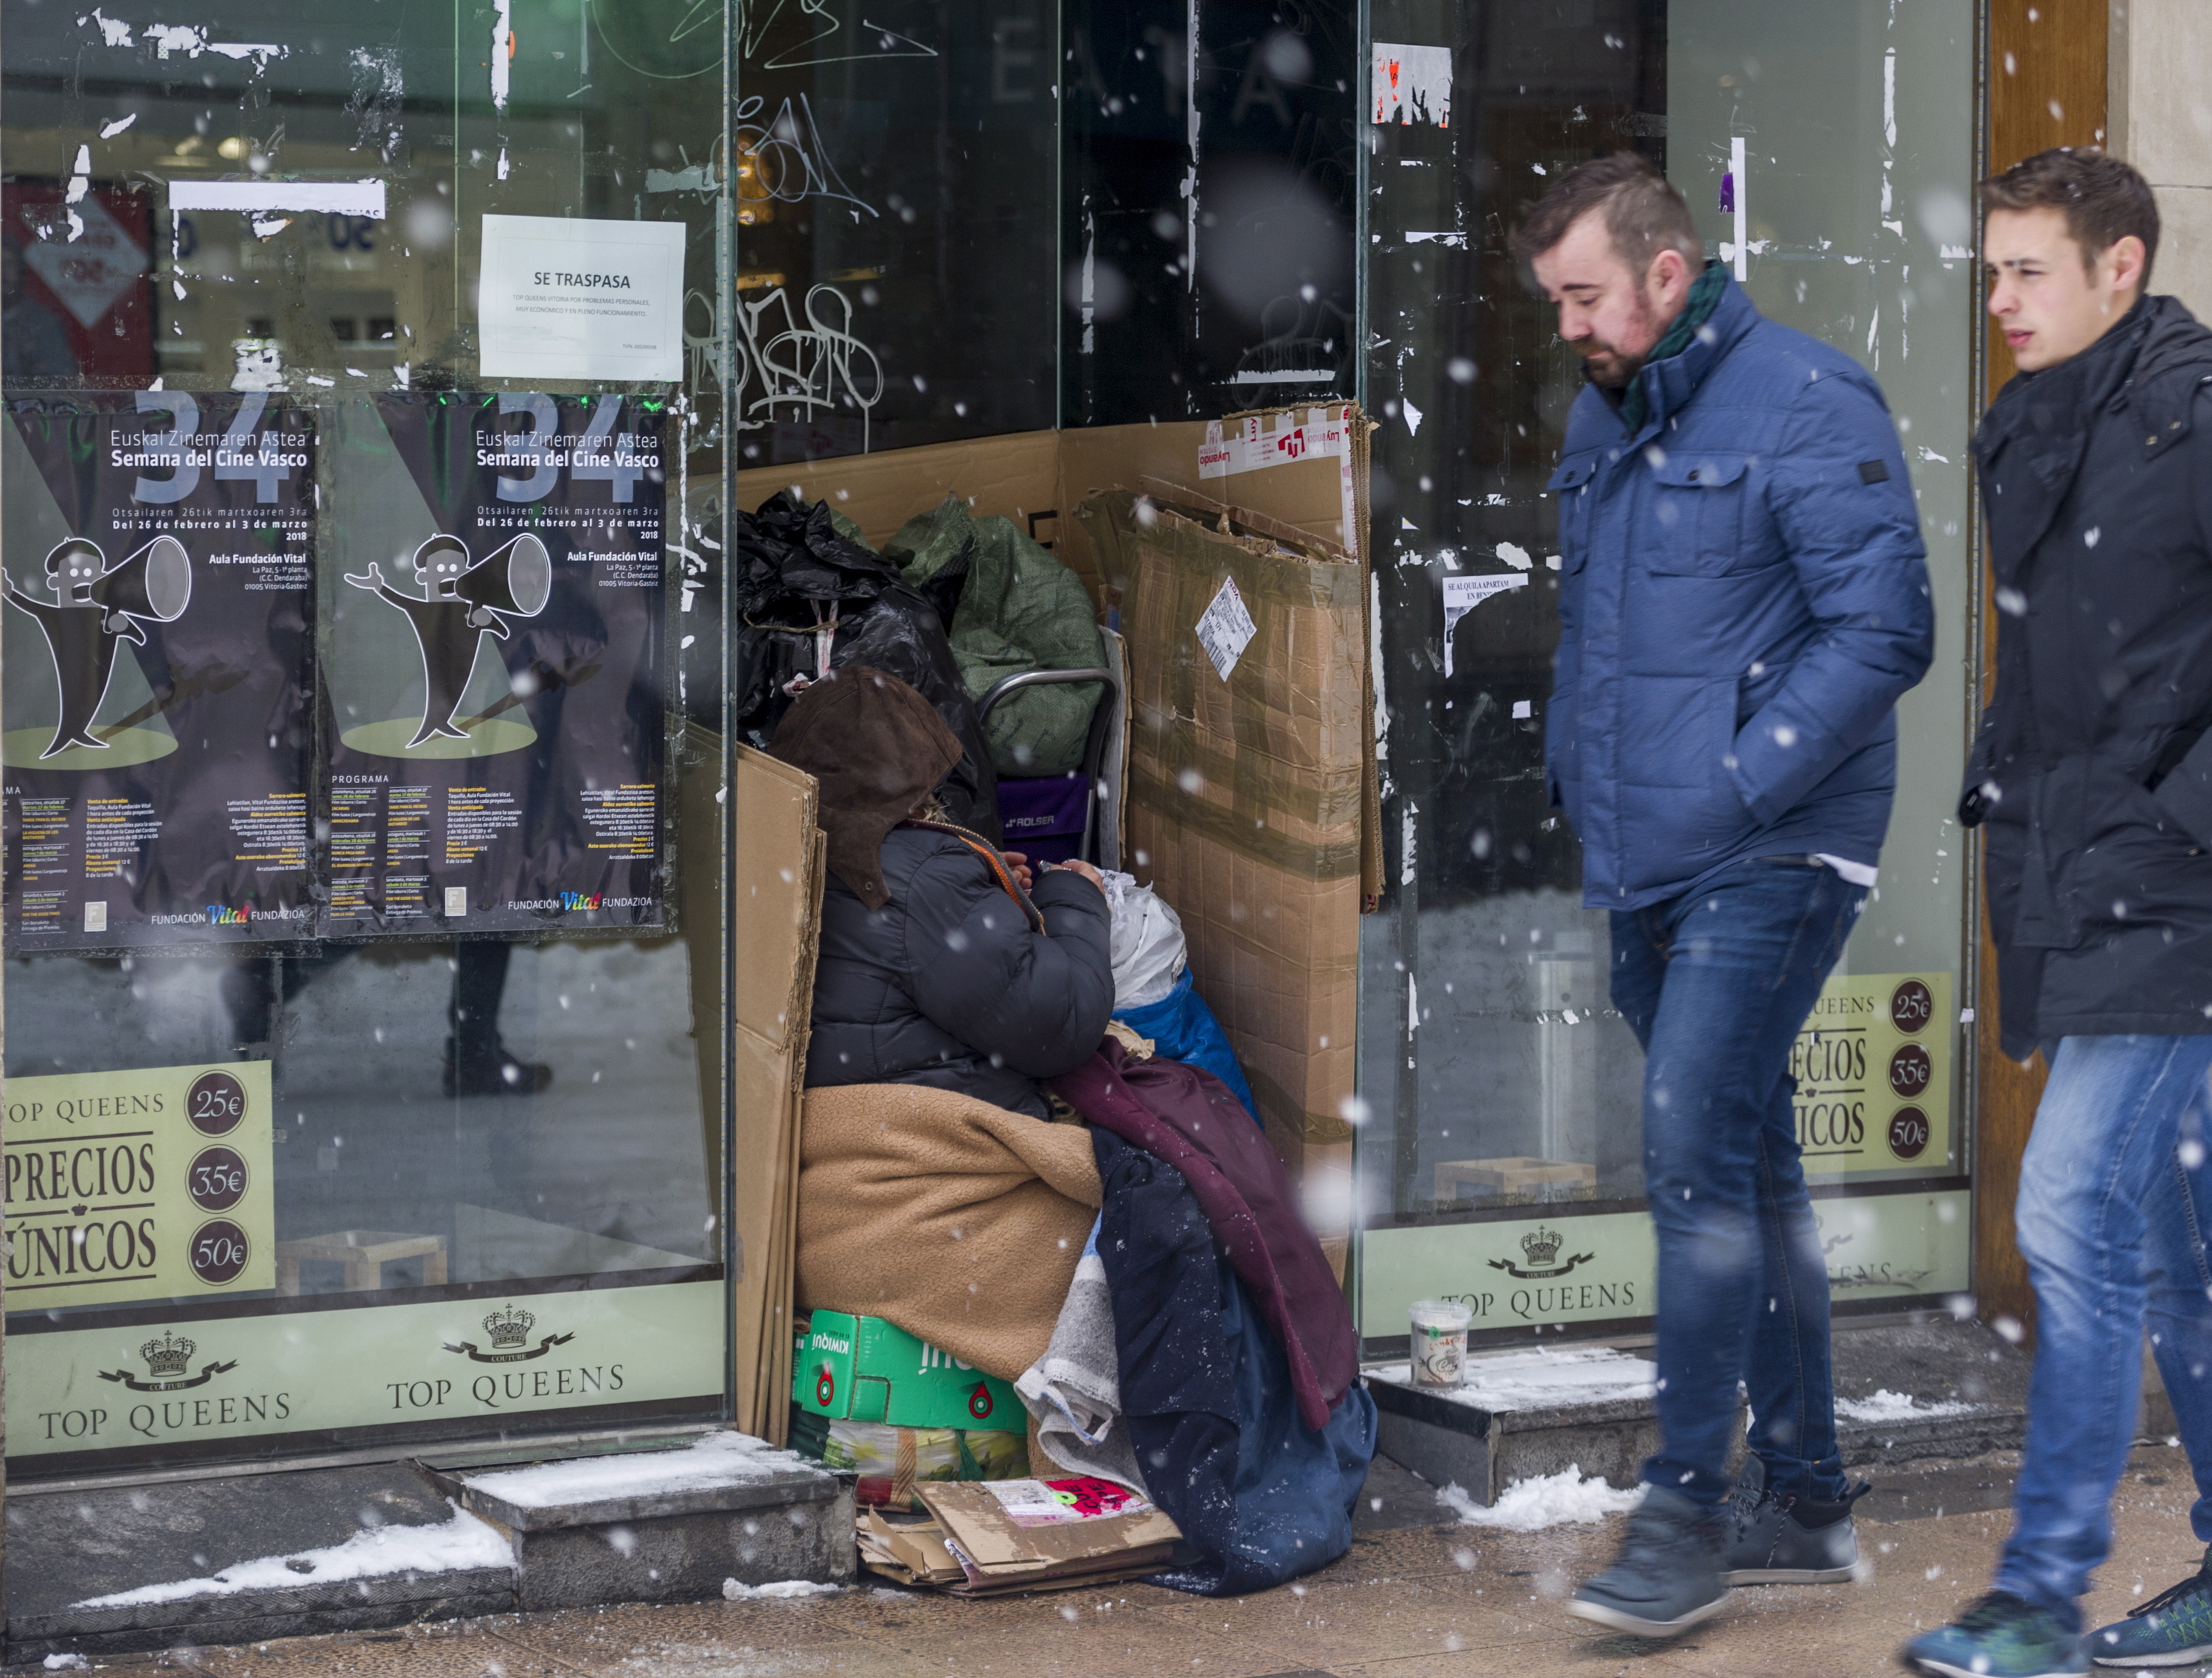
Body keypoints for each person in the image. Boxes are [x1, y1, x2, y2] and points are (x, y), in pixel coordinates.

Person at [1512, 153, 1934, 1637]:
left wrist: (1748, 777)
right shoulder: (1602, 418)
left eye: (1583, 295)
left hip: (1777, 843)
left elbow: (1886, 628)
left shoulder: (1808, 402)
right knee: (1748, 1159)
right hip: (1648, 857)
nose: (1566, 324)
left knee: (1693, 1148)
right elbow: (1599, 638)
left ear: (1666, 275)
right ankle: (1808, 1499)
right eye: (1554, 299)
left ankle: (1684, 1507)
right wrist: (1588, 779)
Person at [1904, 150, 2212, 1678]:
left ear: (2122, 266)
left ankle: (2037, 1593)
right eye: (1994, 271)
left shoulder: (2199, 415)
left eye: (2031, 270)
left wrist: (2174, 814)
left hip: (2180, 897)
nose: (2002, 298)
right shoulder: (2043, 420)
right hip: (2082, 878)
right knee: (2175, 1243)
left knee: (2071, 1209)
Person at [771, 663, 1113, 1119]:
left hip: (826, 1104)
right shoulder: (923, 879)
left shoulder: (786, 844)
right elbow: (1060, 1026)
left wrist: (981, 889)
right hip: (926, 1115)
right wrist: (1075, 895)